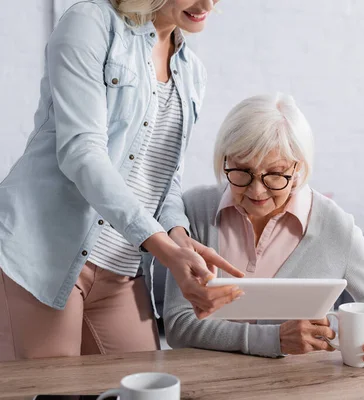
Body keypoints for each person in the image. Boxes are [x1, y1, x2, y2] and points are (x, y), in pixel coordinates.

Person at [0, 0, 244, 361]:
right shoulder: (90, 23)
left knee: (148, 387)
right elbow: (82, 152)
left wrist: (179, 238)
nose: (207, 4)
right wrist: (164, 248)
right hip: (46, 252)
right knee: (57, 392)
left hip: (124, 265)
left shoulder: (192, 72)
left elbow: (165, 177)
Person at [163, 93, 364, 368]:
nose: (256, 190)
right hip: (210, 381)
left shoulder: (335, 226)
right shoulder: (196, 210)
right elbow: (178, 325)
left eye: (275, 174)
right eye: (242, 171)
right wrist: (273, 340)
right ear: (225, 159)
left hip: (298, 385)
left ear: (298, 168)